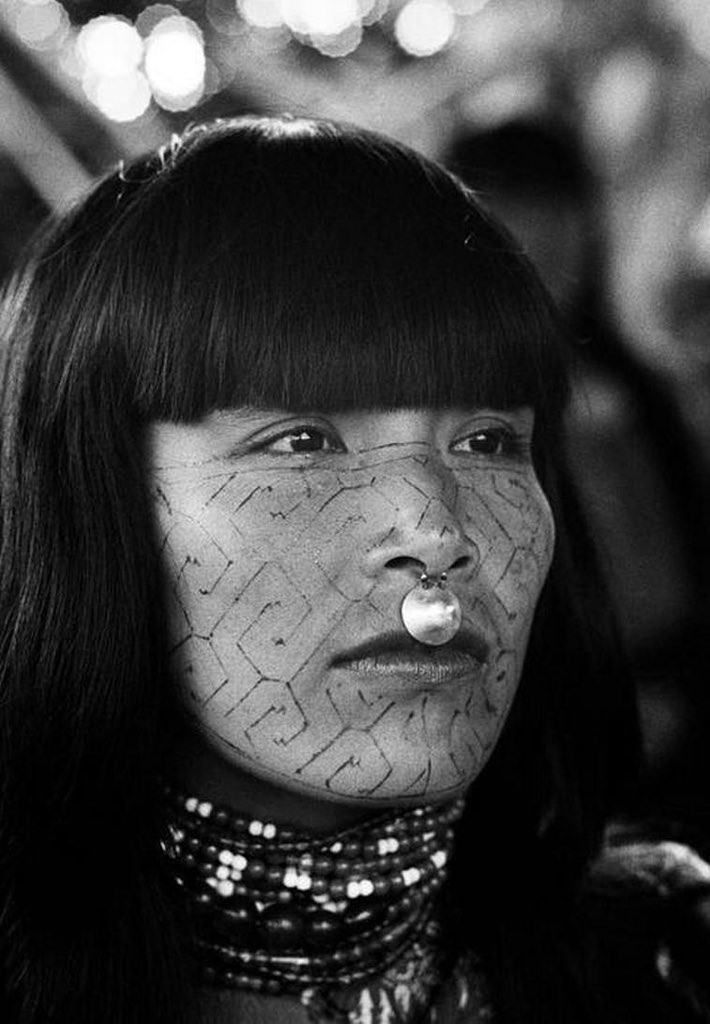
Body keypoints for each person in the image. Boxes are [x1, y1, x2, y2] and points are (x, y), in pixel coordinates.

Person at [0, 115, 706, 1024]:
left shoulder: (662, 969)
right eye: (302, 439)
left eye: (489, 439)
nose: (434, 527)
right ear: (92, 495)